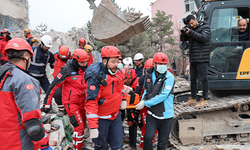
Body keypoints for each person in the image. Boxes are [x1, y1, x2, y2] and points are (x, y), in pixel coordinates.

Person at [0, 38, 52, 150]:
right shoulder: (25, 80)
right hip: (17, 142)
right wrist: (44, 145)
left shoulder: (3, 74)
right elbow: (32, 123)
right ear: (25, 57)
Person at [42, 49, 89, 150]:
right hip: (71, 103)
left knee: (83, 125)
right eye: (82, 62)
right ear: (76, 61)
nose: (84, 64)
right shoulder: (66, 70)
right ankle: (77, 148)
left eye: (86, 62)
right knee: (79, 126)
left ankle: (81, 145)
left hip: (82, 102)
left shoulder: (85, 69)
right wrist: (46, 104)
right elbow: (53, 87)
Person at [84, 46, 126, 150]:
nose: (116, 65)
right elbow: (91, 102)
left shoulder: (118, 73)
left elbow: (121, 87)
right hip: (101, 119)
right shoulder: (95, 76)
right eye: (113, 62)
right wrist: (93, 126)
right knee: (101, 147)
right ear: (104, 61)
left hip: (115, 116)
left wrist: (123, 98)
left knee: (117, 146)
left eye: (117, 61)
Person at [135, 52, 175, 150]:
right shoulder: (149, 75)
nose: (162, 66)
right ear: (154, 64)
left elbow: (163, 96)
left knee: (162, 143)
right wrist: (143, 100)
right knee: (148, 137)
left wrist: (145, 103)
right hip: (152, 114)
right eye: (160, 64)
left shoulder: (169, 77)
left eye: (164, 64)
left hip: (166, 115)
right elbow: (146, 90)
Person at [180, 14, 211, 108]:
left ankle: (204, 99)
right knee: (192, 79)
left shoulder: (205, 27)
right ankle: (193, 99)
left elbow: (204, 38)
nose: (192, 25)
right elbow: (183, 40)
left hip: (202, 58)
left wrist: (190, 32)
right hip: (193, 58)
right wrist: (183, 33)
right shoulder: (191, 29)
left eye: (192, 23)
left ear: (195, 19)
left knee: (203, 79)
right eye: (190, 24)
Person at [121, 67, 139, 150]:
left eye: (125, 81)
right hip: (122, 104)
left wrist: (131, 92)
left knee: (132, 122)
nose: (124, 83)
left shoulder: (137, 81)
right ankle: (120, 139)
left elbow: (138, 96)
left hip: (134, 106)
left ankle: (133, 144)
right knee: (118, 120)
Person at [52, 46, 71, 113]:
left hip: (68, 80)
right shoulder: (54, 57)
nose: (63, 59)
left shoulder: (72, 58)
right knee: (56, 94)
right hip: (58, 80)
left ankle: (69, 108)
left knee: (70, 95)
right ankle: (62, 110)